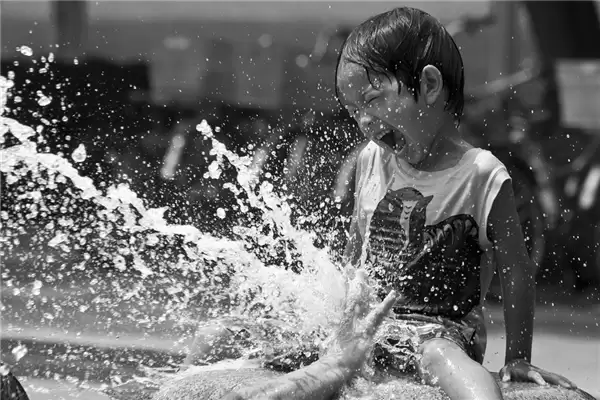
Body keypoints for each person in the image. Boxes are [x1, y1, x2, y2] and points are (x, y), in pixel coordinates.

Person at [223, 6, 578, 400]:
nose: (364, 121)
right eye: (354, 109)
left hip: (439, 328)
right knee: (233, 333)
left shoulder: (481, 175)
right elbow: (356, 249)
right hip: (373, 323)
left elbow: (516, 269)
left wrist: (517, 359)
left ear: (428, 85)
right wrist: (341, 321)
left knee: (442, 356)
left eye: (372, 99)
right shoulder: (369, 160)